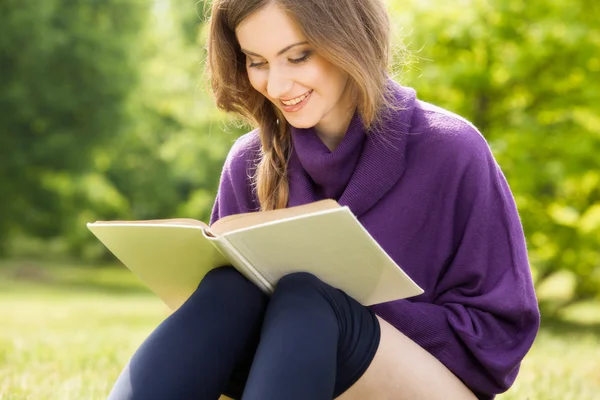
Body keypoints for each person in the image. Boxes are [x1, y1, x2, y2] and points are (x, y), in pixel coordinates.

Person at [107, 0, 540, 399]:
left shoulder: (451, 148)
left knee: (307, 298)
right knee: (227, 289)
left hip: (425, 383)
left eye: (298, 56)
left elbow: (500, 336)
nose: (276, 85)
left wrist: (354, 304)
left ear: (350, 40)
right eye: (257, 62)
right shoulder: (248, 161)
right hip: (288, 377)